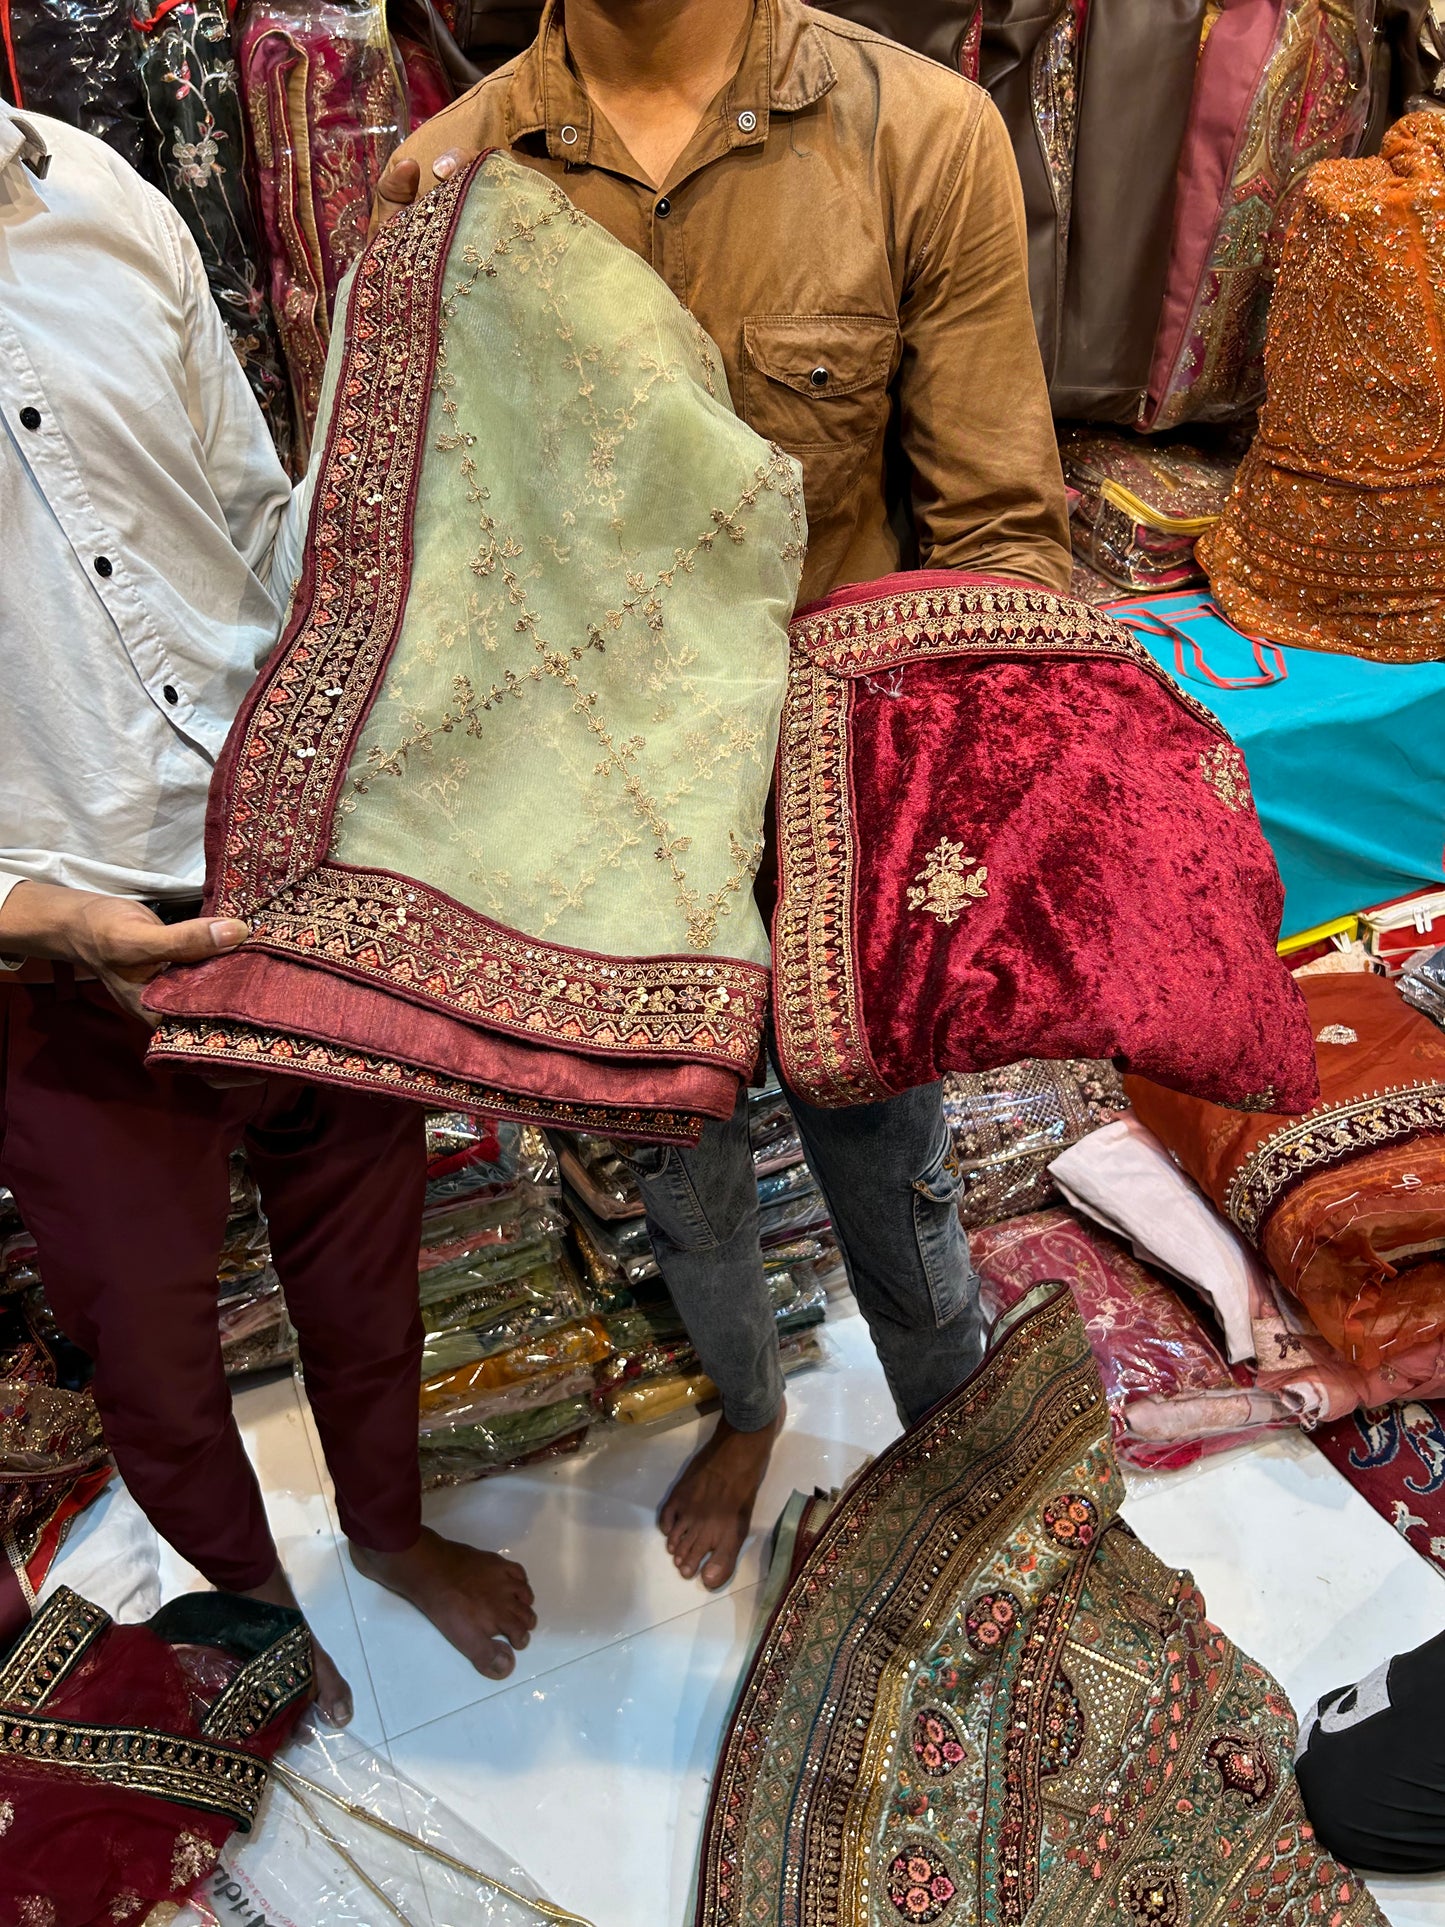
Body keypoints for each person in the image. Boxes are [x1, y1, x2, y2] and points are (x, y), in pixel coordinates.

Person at [373, 0, 1072, 1589]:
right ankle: (747, 1407)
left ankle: (953, 1444)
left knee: (891, 1164)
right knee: (678, 1183)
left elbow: (997, 527)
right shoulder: (451, 174)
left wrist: (941, 843)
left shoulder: (913, 134)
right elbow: (445, 565)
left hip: (836, 800)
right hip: (605, 827)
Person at [0, 99, 537, 1712]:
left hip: (271, 860)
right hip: (51, 944)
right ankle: (249, 1616)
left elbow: (247, 520)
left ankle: (387, 1531)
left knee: (363, 1246)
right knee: (147, 1342)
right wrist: (27, 916)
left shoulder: (97, 195)